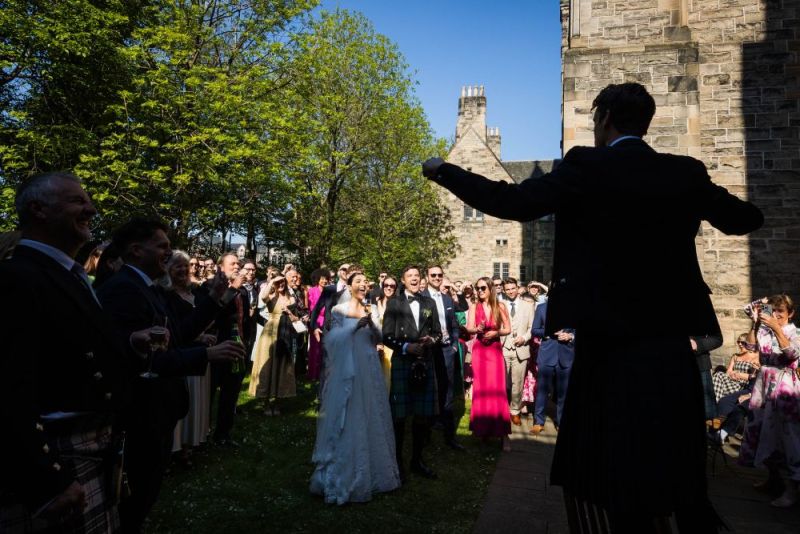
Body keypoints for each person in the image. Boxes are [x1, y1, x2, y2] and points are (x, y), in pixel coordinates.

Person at [423, 82, 763, 530]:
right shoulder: (684, 172)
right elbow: (745, 219)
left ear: (604, 120)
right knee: (673, 461)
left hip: (609, 343)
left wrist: (443, 170)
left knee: (610, 468)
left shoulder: (586, 165)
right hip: (669, 344)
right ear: (646, 122)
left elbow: (511, 202)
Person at [0, 173, 130, 532]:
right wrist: (45, 480)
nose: (91, 209)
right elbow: (7, 387)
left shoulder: (66, 273)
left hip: (89, 446)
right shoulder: (16, 277)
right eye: (77, 201)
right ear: (38, 209)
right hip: (56, 455)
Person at [98, 218, 244, 533]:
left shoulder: (148, 287)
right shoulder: (124, 289)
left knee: (143, 498)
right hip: (140, 415)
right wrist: (206, 355)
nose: (168, 252)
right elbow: (141, 360)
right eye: (162, 246)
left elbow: (179, 335)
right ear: (136, 250)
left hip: (159, 413)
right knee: (131, 503)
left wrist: (214, 300)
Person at [309, 272, 401, 503]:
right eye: (358, 282)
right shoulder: (338, 310)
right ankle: (340, 473)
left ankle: (375, 470)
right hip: (348, 367)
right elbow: (332, 341)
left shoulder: (372, 309)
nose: (362, 285)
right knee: (349, 412)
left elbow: (379, 337)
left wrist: (371, 325)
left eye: (365, 282)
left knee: (371, 411)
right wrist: (354, 328)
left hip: (368, 364)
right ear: (349, 286)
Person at [739, 295, 800, 507]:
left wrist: (776, 328)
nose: (776, 315)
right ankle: (773, 480)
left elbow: (792, 354)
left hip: (785, 387)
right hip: (763, 386)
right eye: (773, 311)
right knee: (763, 432)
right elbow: (750, 346)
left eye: (781, 312)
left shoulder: (795, 333)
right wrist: (755, 323)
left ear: (791, 313)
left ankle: (792, 490)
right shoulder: (764, 330)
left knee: (787, 438)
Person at [382, 265, 442, 480]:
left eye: (417, 275)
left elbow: (438, 332)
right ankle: (397, 462)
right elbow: (386, 335)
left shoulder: (429, 303)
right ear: (403, 280)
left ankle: (417, 461)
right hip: (403, 361)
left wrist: (431, 340)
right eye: (410, 276)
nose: (414, 279)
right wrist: (407, 347)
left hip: (424, 362)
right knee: (399, 416)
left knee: (421, 416)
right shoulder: (394, 303)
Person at [161, 251, 215, 462]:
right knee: (181, 398)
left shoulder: (196, 293)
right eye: (178, 266)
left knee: (196, 401)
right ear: (168, 270)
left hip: (201, 355)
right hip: (182, 355)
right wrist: (200, 336)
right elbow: (174, 328)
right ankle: (173, 447)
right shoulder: (166, 295)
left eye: (186, 266)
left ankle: (189, 444)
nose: (183, 270)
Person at [465, 277, 512, 451]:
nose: (480, 291)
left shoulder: (500, 306)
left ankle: (504, 435)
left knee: (498, 391)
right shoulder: (473, 307)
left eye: (483, 288)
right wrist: (477, 329)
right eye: (477, 288)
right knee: (481, 391)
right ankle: (483, 431)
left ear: (491, 288)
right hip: (479, 351)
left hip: (494, 351)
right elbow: (469, 328)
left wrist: (496, 333)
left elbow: (508, 329)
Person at [424, 265, 464, 450]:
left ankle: (450, 436)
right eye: (433, 275)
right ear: (427, 277)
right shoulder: (421, 297)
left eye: (439, 275)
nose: (437, 277)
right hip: (429, 350)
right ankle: (426, 436)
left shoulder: (447, 298)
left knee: (447, 391)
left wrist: (454, 345)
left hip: (447, 349)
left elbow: (454, 324)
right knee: (428, 391)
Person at [249, 275, 299, 414]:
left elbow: (296, 318)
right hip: (270, 333)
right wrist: (271, 281)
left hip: (286, 333)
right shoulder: (271, 296)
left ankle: (278, 401)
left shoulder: (292, 298)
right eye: (278, 282)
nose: (281, 284)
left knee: (282, 366)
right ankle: (265, 402)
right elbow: (263, 297)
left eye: (282, 282)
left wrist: (289, 313)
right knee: (267, 364)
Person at [530, 301, 575, 435]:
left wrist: (570, 336)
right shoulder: (542, 308)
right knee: (542, 390)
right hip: (547, 355)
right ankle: (538, 422)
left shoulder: (574, 307)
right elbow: (534, 330)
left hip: (566, 355)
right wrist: (548, 332)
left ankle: (560, 422)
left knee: (563, 392)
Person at [500, 278, 535, 427]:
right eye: (507, 289)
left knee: (518, 382)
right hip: (503, 348)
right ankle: (501, 409)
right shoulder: (499, 305)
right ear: (504, 290)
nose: (510, 291)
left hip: (521, 349)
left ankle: (515, 410)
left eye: (513, 288)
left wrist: (524, 338)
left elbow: (532, 328)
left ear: (517, 288)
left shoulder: (528, 305)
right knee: (502, 382)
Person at [712, 333, 761, 402]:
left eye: (742, 342)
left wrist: (740, 375)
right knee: (718, 374)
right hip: (732, 381)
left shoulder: (756, 357)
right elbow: (728, 372)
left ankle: (717, 403)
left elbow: (756, 377)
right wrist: (732, 374)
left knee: (720, 386)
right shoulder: (735, 356)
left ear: (748, 344)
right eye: (738, 342)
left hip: (743, 384)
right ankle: (717, 403)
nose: (740, 344)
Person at [307, 268, 330, 381]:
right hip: (316, 321)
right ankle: (313, 374)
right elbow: (312, 309)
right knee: (315, 349)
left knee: (325, 349)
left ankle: (324, 373)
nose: (324, 281)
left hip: (327, 322)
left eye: (326, 279)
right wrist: (315, 324)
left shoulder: (329, 291)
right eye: (322, 279)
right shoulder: (312, 291)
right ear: (317, 279)